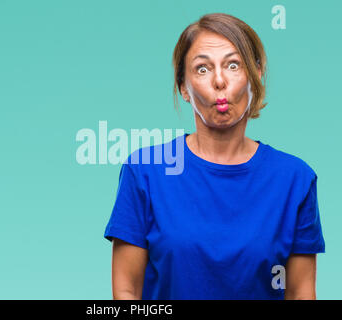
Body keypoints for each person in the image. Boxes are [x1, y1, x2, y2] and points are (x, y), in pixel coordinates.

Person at [103, 13, 325, 300]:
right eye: (203, 69)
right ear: (184, 87)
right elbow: (126, 292)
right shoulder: (144, 172)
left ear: (256, 76)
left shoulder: (295, 179)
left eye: (233, 65)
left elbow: (300, 294)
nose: (219, 81)